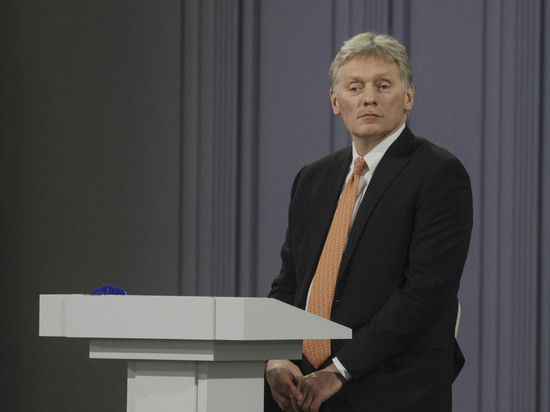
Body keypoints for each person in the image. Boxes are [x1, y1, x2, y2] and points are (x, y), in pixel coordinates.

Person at [264, 32, 473, 412]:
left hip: (388, 383)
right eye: (355, 87)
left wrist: (339, 371)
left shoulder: (438, 173)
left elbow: (425, 293)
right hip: (301, 385)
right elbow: (289, 284)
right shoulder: (312, 178)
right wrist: (276, 357)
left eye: (383, 85)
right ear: (335, 101)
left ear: (408, 97)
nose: (369, 98)